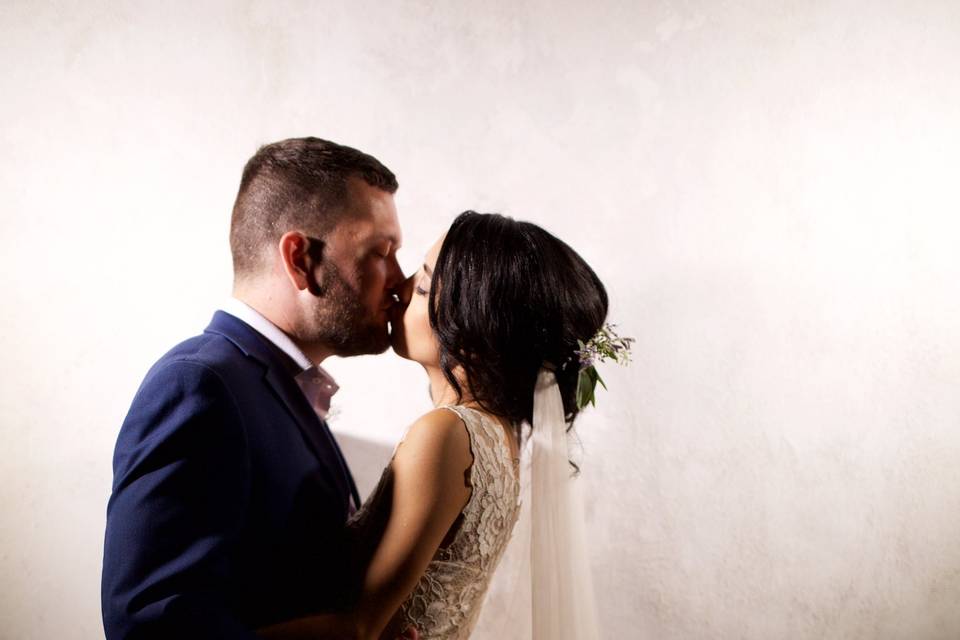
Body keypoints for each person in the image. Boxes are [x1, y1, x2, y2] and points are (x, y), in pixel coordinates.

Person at [101, 137, 409, 638]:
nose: (399, 280)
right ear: (301, 258)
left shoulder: (283, 385)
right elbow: (149, 628)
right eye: (382, 251)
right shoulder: (199, 385)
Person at [259, 211, 609, 639]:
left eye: (423, 286)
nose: (400, 290)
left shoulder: (447, 433)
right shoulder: (500, 437)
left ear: (475, 331)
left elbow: (358, 627)